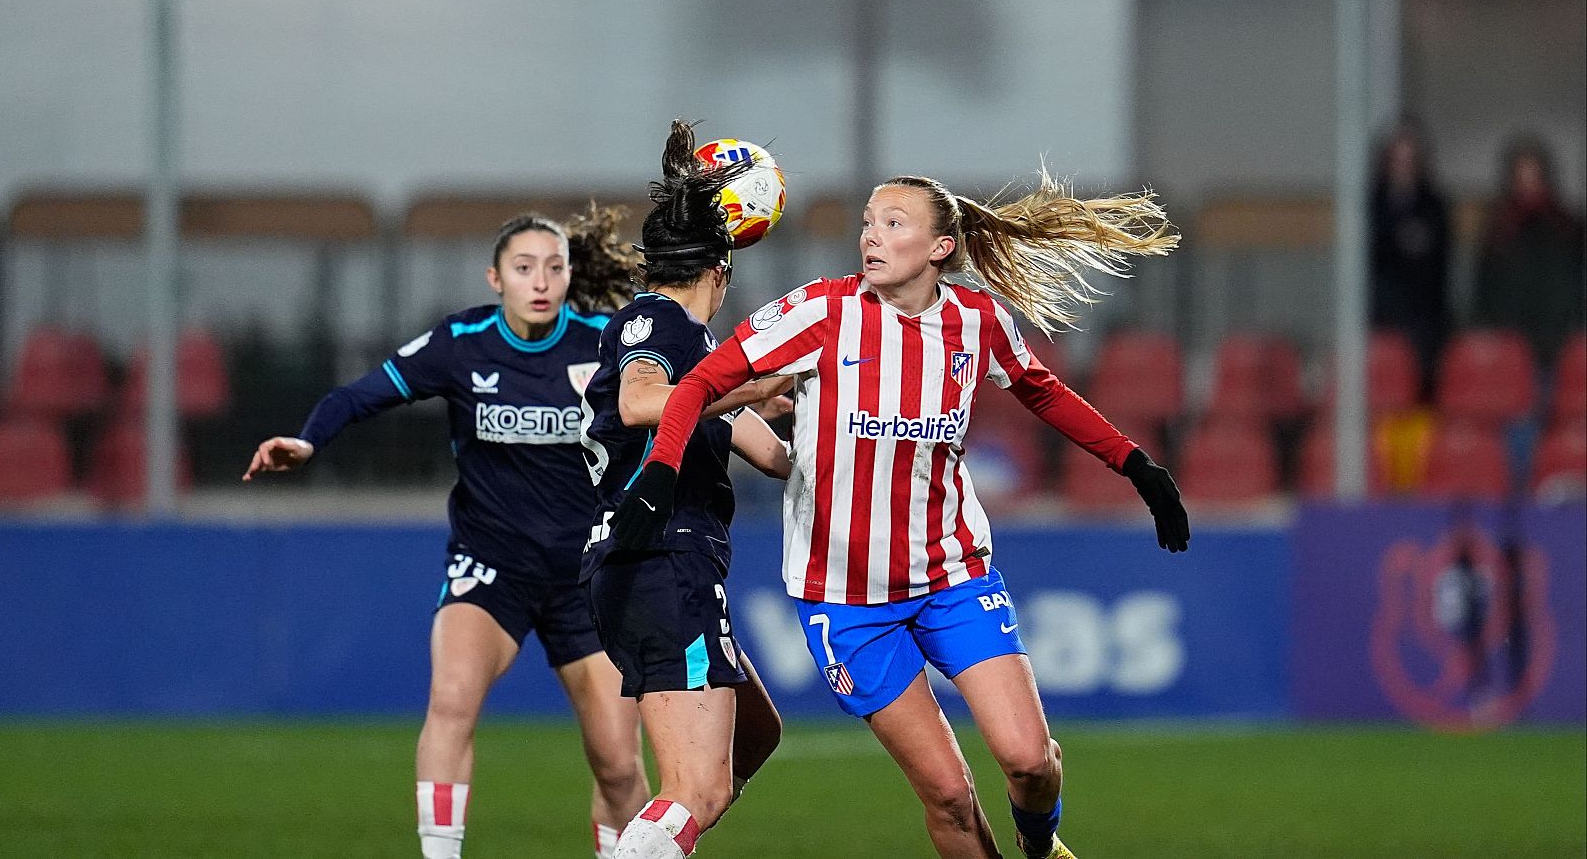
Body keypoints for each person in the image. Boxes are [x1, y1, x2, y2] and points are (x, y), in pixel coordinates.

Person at [612, 171, 1192, 859]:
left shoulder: (976, 322)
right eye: (866, 222)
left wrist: (1137, 467)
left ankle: (1041, 845)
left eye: (892, 223)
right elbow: (704, 382)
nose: (870, 236)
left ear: (941, 245)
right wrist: (659, 470)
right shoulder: (820, 313)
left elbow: (1043, 390)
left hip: (952, 574)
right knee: (948, 794)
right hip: (846, 599)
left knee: (1030, 762)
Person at [243, 207, 648, 859]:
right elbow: (360, 394)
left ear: (572, 275)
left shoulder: (607, 342)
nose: (540, 281)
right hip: (492, 565)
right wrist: (308, 440)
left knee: (618, 763)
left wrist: (754, 411)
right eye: (523, 268)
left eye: (553, 267)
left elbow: (687, 398)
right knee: (452, 699)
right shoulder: (463, 343)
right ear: (495, 277)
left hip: (588, 577)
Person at [580, 120, 792, 859]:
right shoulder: (656, 320)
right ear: (722, 273)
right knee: (698, 786)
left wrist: (822, 412)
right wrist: (750, 384)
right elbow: (643, 402)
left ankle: (653, 845)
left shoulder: (699, 357)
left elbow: (776, 459)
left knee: (755, 736)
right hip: (662, 560)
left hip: (655, 567)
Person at [1473, 135, 1585, 366]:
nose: (1528, 183)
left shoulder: (1565, 224)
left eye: (1533, 175)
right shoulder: (1499, 228)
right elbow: (1485, 283)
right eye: (1521, 175)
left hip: (1557, 335)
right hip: (1509, 337)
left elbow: (1575, 278)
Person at [1369, 119, 1452, 382]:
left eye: (1409, 160)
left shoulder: (1434, 205)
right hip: (1380, 317)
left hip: (1423, 322)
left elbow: (1435, 264)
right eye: (1397, 160)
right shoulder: (1371, 204)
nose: (1403, 167)